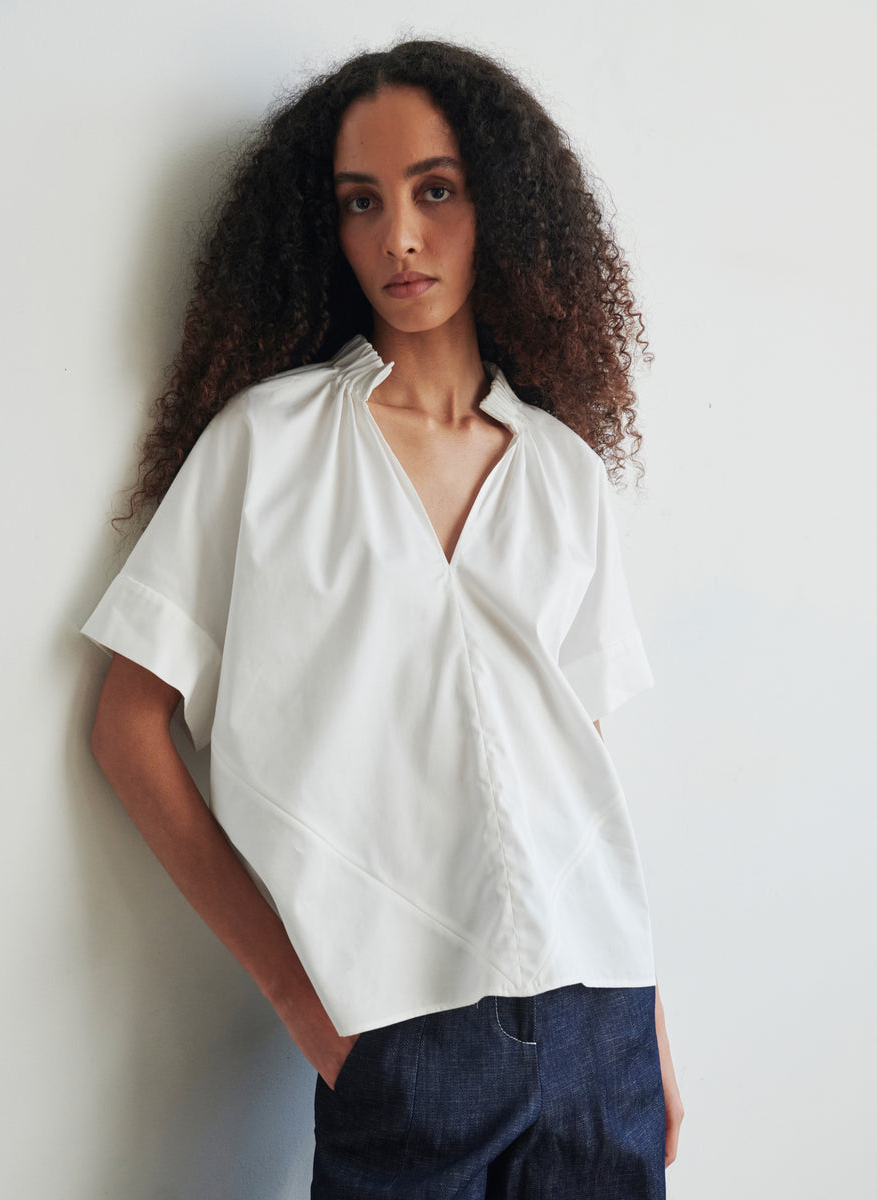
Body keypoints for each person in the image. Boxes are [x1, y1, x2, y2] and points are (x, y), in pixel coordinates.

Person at [83, 38, 683, 1199]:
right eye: (363, 203)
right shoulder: (267, 447)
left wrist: (651, 1016)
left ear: (501, 207)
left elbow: (582, 765)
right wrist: (303, 1004)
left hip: (603, 1020)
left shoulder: (562, 470)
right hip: (402, 1038)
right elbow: (127, 726)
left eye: (435, 191)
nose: (399, 237)